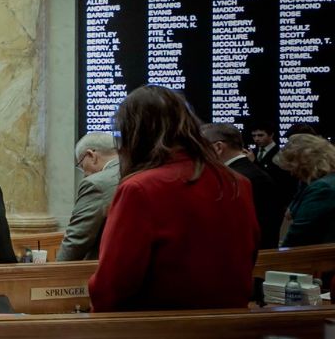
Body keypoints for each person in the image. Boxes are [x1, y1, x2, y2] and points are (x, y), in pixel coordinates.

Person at [89, 86, 256, 312]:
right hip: (233, 323)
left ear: (133, 133)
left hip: (160, 326)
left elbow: (112, 286)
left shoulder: (139, 188)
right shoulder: (237, 182)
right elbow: (247, 256)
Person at [202, 123, 286, 253]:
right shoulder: (250, 172)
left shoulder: (234, 178)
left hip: (249, 254)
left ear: (218, 147)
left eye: (201, 147)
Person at [56, 132, 120, 262]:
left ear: (91, 155)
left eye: (81, 165)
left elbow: (77, 240)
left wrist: (55, 271)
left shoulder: (96, 184)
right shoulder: (141, 171)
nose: (84, 174)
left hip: (104, 266)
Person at [279, 133, 335, 247]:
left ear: (306, 163)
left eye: (293, 166)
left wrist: (280, 253)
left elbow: (298, 236)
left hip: (317, 254)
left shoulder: (322, 188)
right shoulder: (318, 181)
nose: (292, 173)